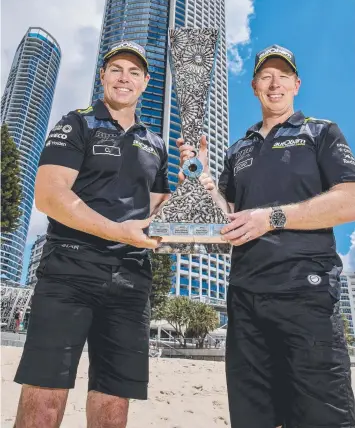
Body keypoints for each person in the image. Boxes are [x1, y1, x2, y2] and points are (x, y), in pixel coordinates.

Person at [179, 44, 355, 428]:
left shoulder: (320, 132)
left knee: (323, 417)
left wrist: (272, 218)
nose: (274, 83)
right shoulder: (238, 149)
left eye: (283, 76)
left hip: (305, 292)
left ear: (296, 84)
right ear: (255, 85)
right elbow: (227, 219)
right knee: (253, 418)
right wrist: (202, 180)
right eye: (266, 76)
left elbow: (350, 199)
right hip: (245, 297)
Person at [13, 41, 171, 428]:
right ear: (102, 76)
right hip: (70, 268)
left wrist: (189, 189)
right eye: (116, 68)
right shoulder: (77, 122)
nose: (124, 77)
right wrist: (118, 229)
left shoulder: (156, 143)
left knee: (114, 405)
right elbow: (50, 196)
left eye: (134, 72)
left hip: (132, 276)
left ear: (146, 82)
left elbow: (154, 212)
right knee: (45, 399)